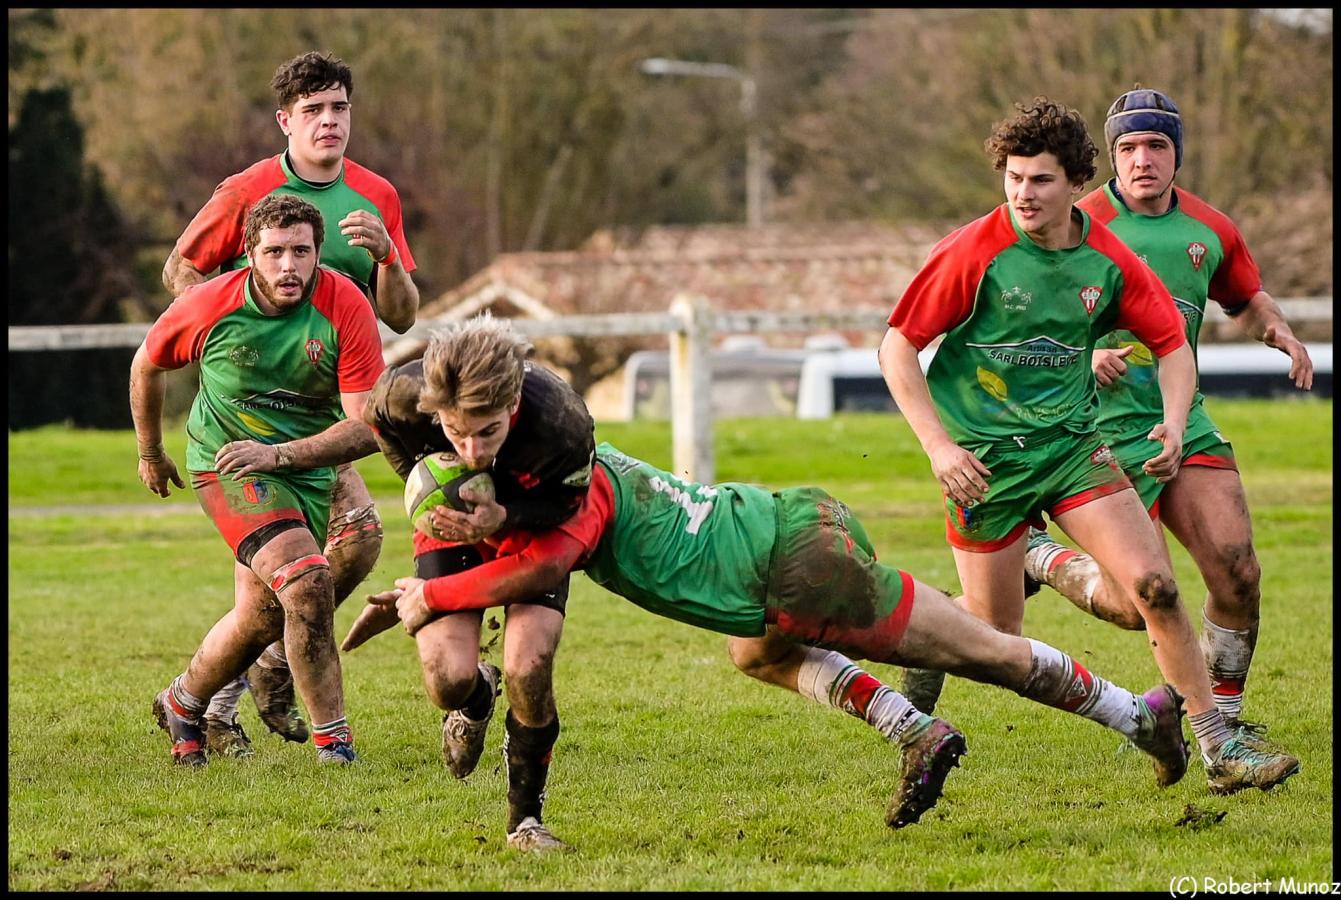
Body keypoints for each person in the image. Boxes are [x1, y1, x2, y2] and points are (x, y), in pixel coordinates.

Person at [342, 442, 1192, 838]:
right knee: (753, 656)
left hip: (790, 563)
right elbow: (515, 562)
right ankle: (916, 729)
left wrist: (430, 594)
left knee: (985, 651)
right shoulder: (566, 466)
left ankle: (1141, 713)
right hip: (775, 548)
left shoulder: (564, 505)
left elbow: (535, 568)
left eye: (468, 516)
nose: (470, 534)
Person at [875, 97, 1298, 795]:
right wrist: (937, 448)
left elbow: (1169, 344)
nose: (1022, 194)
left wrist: (1170, 419)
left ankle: (1221, 749)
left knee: (1153, 591)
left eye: (1039, 180)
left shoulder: (1106, 259)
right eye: (1013, 178)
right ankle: (941, 629)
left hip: (1073, 447)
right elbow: (897, 346)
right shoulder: (973, 251)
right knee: (992, 632)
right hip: (985, 464)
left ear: (1074, 182)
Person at [1022, 87, 1314, 740]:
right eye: (1127, 147)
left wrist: (1279, 330)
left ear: (1175, 155)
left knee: (1237, 573)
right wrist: (1080, 350)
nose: (1142, 159)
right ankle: (1038, 559)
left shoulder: (1209, 229)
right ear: (1110, 156)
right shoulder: (1073, 220)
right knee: (1136, 604)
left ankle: (1224, 727)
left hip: (1183, 423)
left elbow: (1246, 295)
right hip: (1092, 434)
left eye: (1156, 145)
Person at [161, 51, 420, 757]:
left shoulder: (377, 197)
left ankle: (238, 680)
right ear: (286, 120)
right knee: (319, 563)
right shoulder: (248, 190)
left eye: (339, 108)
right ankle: (240, 687)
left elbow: (401, 316)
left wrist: (389, 261)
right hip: (253, 419)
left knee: (333, 558)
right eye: (313, 111)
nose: (329, 122)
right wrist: (229, 331)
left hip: (331, 409)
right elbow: (179, 268)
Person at [131, 193, 386, 766]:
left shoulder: (345, 306)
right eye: (274, 252)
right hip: (225, 463)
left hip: (301, 467)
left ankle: (183, 700)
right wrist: (151, 452)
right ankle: (335, 745)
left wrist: (282, 456)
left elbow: (367, 426)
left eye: (301, 251)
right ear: (249, 255)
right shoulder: (211, 304)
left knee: (262, 614)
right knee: (306, 581)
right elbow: (146, 363)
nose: (288, 266)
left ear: (320, 253)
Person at [354, 314, 596, 852]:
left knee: (528, 666)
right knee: (446, 681)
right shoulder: (403, 393)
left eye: (488, 432)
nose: (471, 452)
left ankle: (524, 822)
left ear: (511, 406)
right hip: (449, 526)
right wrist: (422, 481)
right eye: (455, 433)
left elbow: (569, 503)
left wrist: (504, 516)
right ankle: (477, 697)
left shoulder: (562, 420)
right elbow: (378, 424)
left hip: (530, 529)